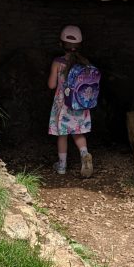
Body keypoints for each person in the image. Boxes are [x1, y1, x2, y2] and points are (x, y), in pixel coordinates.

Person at [48, 25, 94, 177]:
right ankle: (84, 154)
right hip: (80, 104)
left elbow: (52, 85)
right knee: (78, 132)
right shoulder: (85, 63)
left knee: (63, 135)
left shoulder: (58, 62)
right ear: (80, 46)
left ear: (61, 44)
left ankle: (61, 166)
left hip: (63, 104)